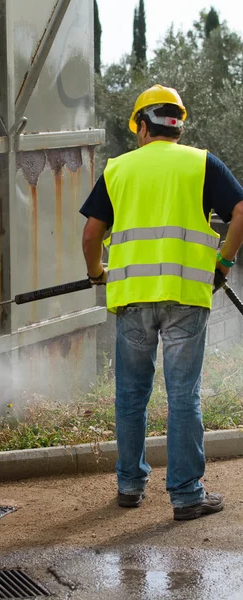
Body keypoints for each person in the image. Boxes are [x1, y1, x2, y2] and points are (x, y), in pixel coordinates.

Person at [80, 84, 243, 521]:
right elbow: (242, 211)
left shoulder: (118, 170)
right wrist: (223, 264)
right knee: (183, 396)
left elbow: (91, 235)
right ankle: (187, 495)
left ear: (141, 125)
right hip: (188, 299)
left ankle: (130, 485)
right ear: (178, 124)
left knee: (131, 396)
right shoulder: (202, 164)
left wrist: (98, 273)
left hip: (133, 299)